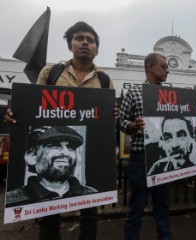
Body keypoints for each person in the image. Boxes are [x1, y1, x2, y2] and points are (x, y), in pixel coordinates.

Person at [4, 21, 117, 240]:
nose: (85, 42)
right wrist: (15, 115)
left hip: (90, 163)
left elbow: (109, 118)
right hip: (50, 161)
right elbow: (33, 108)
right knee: (48, 217)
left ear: (97, 49)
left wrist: (113, 117)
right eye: (79, 38)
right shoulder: (51, 72)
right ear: (70, 45)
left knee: (90, 216)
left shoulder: (104, 80)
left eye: (90, 40)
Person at [119, 53, 172, 240]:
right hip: (141, 157)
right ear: (150, 68)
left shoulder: (170, 95)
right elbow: (121, 121)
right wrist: (133, 126)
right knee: (136, 207)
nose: (167, 70)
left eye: (167, 67)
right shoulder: (134, 92)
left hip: (163, 157)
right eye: (163, 66)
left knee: (163, 206)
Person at [6, 126, 97, 206]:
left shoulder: (91, 193)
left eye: (71, 147)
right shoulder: (13, 200)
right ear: (32, 156)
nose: (66, 152)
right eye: (54, 145)